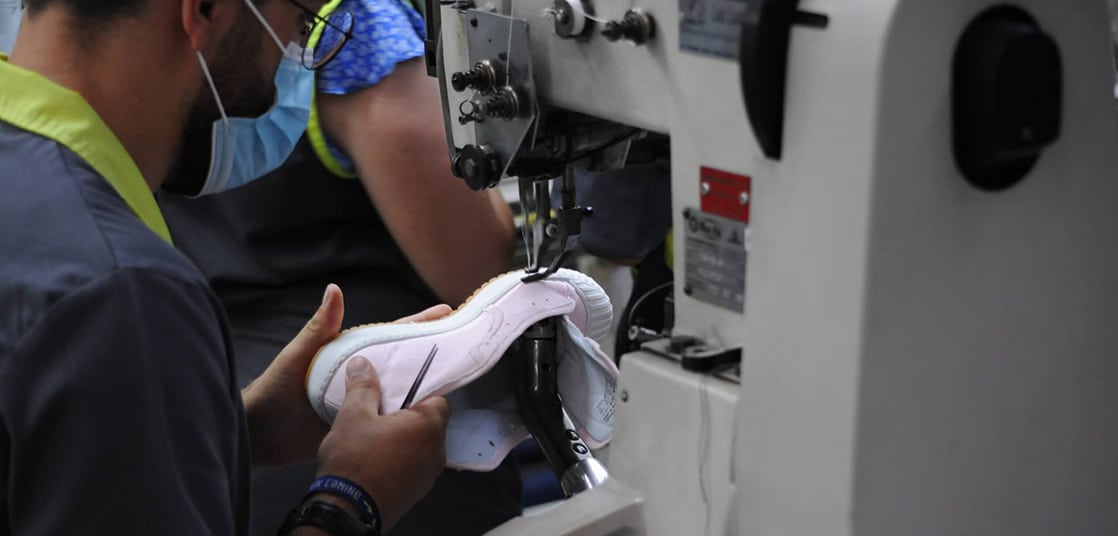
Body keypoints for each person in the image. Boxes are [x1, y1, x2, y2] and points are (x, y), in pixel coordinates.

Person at [0, 0, 450, 533]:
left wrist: (236, 428)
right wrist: (349, 499)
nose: (296, 54)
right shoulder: (122, 294)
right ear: (205, 10)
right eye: (302, 22)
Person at [156, 0, 520, 533]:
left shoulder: (141, 25)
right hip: (372, 448)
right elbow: (476, 269)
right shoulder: (357, 23)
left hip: (216, 430)